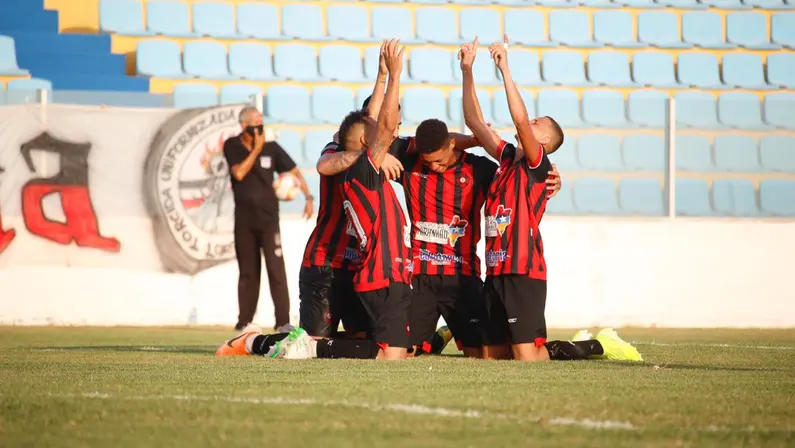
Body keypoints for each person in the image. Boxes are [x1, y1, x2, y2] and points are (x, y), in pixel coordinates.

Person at [460, 36, 642, 362]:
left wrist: (505, 71)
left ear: (542, 141)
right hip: (496, 268)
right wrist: (467, 71)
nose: (529, 122)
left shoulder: (537, 164)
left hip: (523, 271)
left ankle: (598, 345)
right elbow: (474, 121)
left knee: (527, 356)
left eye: (536, 123)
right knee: (489, 357)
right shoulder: (506, 158)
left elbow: (519, 121)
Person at [223, 106, 314, 332]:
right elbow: (239, 173)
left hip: (269, 220)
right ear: (244, 125)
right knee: (248, 271)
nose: (260, 127)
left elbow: (294, 171)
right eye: (255, 123)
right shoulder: (232, 145)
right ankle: (245, 322)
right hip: (244, 220)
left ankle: (282, 321)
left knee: (276, 270)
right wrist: (256, 149)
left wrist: (308, 196)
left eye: (261, 122)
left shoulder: (271, 147)